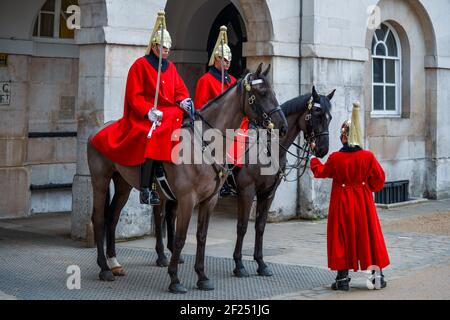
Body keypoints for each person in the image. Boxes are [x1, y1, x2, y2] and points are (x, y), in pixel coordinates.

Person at [91, 11, 192, 206]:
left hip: (168, 113)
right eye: (163, 47)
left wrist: (184, 100)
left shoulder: (170, 67)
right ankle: (146, 188)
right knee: (152, 135)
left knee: (186, 128)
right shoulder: (140, 65)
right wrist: (148, 111)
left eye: (168, 48)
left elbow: (179, 89)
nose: (166, 51)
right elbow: (133, 96)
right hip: (145, 116)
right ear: (154, 46)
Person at [310, 101, 390, 291]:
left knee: (341, 238)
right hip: (363, 201)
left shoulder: (336, 158)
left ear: (344, 137)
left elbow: (321, 171)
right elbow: (379, 179)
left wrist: (312, 158)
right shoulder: (367, 156)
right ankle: (375, 278)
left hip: (342, 201)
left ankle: (342, 279)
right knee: (368, 236)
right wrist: (365, 187)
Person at [194, 26, 244, 197]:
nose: (227, 63)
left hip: (231, 123)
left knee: (245, 136)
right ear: (216, 59)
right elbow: (201, 106)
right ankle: (223, 179)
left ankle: (236, 178)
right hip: (213, 124)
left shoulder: (233, 81)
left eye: (229, 60)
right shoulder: (205, 80)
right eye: (223, 59)